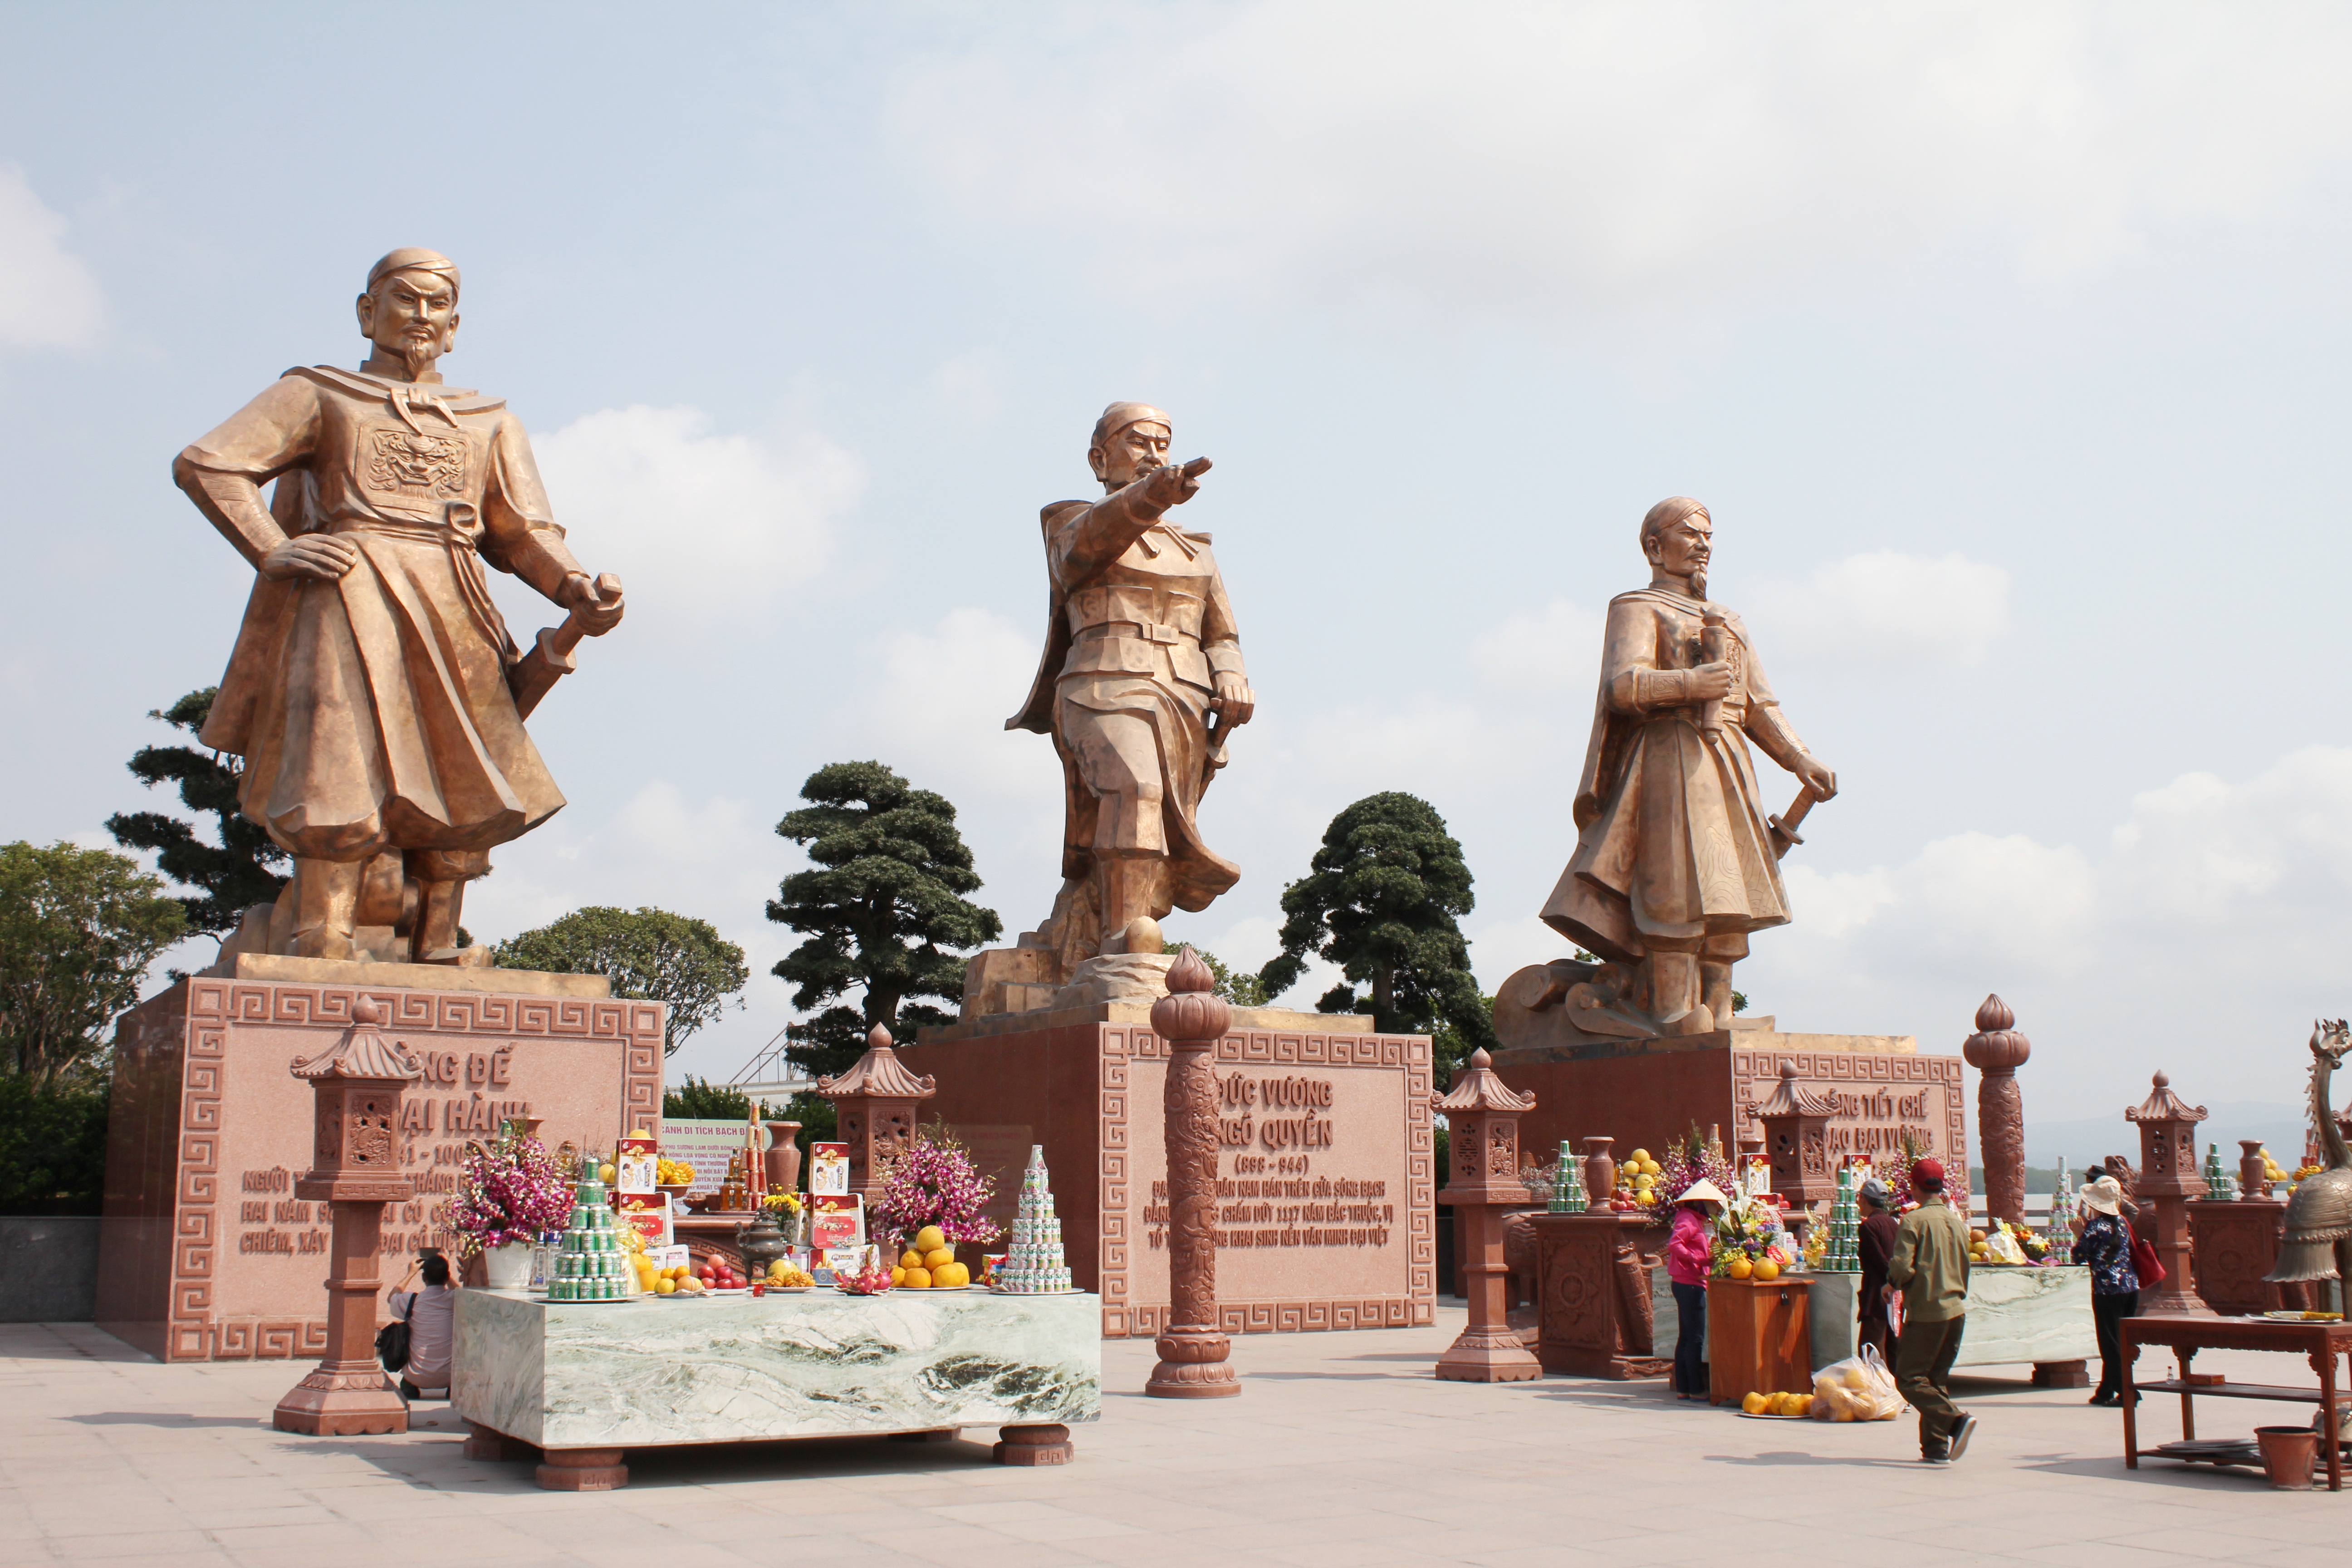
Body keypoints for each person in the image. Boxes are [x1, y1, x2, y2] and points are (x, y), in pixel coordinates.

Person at [173, 248, 625, 963]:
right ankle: (323, 934)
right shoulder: (320, 394)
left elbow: (522, 531)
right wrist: (270, 547)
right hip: (347, 596)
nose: (421, 315)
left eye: (437, 304)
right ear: (367, 312)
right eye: (405, 298)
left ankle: (437, 941)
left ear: (455, 326)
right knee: (337, 760)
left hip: (456, 602)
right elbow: (209, 464)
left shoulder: (489, 422)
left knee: (467, 765)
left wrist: (574, 587)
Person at [1541, 497, 1838, 1035]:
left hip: (1727, 761)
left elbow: (1758, 705)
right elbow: (1621, 687)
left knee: (1728, 892)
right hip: (1669, 755)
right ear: (1655, 547)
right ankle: (1672, 1011)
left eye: (1709, 535)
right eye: (1691, 534)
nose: (1703, 545)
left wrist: (1799, 758)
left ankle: (1719, 1011)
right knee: (1674, 884)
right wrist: (1689, 684)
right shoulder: (1637, 607)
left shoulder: (1729, 620)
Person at [1004, 403, 1256, 977]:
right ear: (1100, 459)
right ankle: (1123, 944)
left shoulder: (1196, 551)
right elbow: (1082, 555)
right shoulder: (1071, 523)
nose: (1154, 455)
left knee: (1159, 819)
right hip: (1102, 683)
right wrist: (1149, 499)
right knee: (1134, 787)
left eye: (1163, 444)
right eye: (1139, 442)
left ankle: (1106, 921)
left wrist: (1231, 674)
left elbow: (1222, 634)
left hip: (1183, 696)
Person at [1884, 1157, 1977, 1463]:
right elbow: (1965, 1266)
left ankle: (1955, 1422)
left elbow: (1902, 1267)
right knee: (1935, 1381)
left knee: (1909, 1379)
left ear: (1913, 1186)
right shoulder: (1957, 1222)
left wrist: (1892, 1284)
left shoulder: (1913, 1221)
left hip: (1927, 1312)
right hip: (1956, 1309)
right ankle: (1936, 1448)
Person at [2069, 1175, 2141, 1406]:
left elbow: (2078, 1256)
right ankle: (2106, 1390)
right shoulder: (2122, 1222)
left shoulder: (2095, 1227)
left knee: (2110, 1344)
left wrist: (2078, 1234)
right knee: (2120, 1340)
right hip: (2130, 1287)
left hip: (2107, 1290)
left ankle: (2127, 1392)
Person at [1664, 1180, 1729, 1400]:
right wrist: (1698, 1260)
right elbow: (1675, 1245)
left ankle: (1684, 1387)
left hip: (1686, 1282)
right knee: (1695, 1338)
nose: (1713, 1208)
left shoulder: (1691, 1219)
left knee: (1687, 1336)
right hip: (1690, 1283)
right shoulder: (1689, 1220)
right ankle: (1696, 1388)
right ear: (1699, 1203)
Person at [389, 1252, 456, 1401]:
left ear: (424, 1278)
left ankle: (409, 1387)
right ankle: (454, 1390)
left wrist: (410, 1273)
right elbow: (464, 1294)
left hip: (416, 1376)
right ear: (447, 1277)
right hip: (450, 1377)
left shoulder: (412, 1300)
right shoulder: (454, 1299)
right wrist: (447, 1272)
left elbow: (391, 1297)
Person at [1855, 1178, 1901, 1362]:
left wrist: (1890, 1281)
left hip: (1877, 1297)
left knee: (1871, 1352)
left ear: (1865, 1200)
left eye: (1860, 1199)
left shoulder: (1869, 1226)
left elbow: (1880, 1261)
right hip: (1895, 1297)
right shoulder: (1893, 1223)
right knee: (1893, 1351)